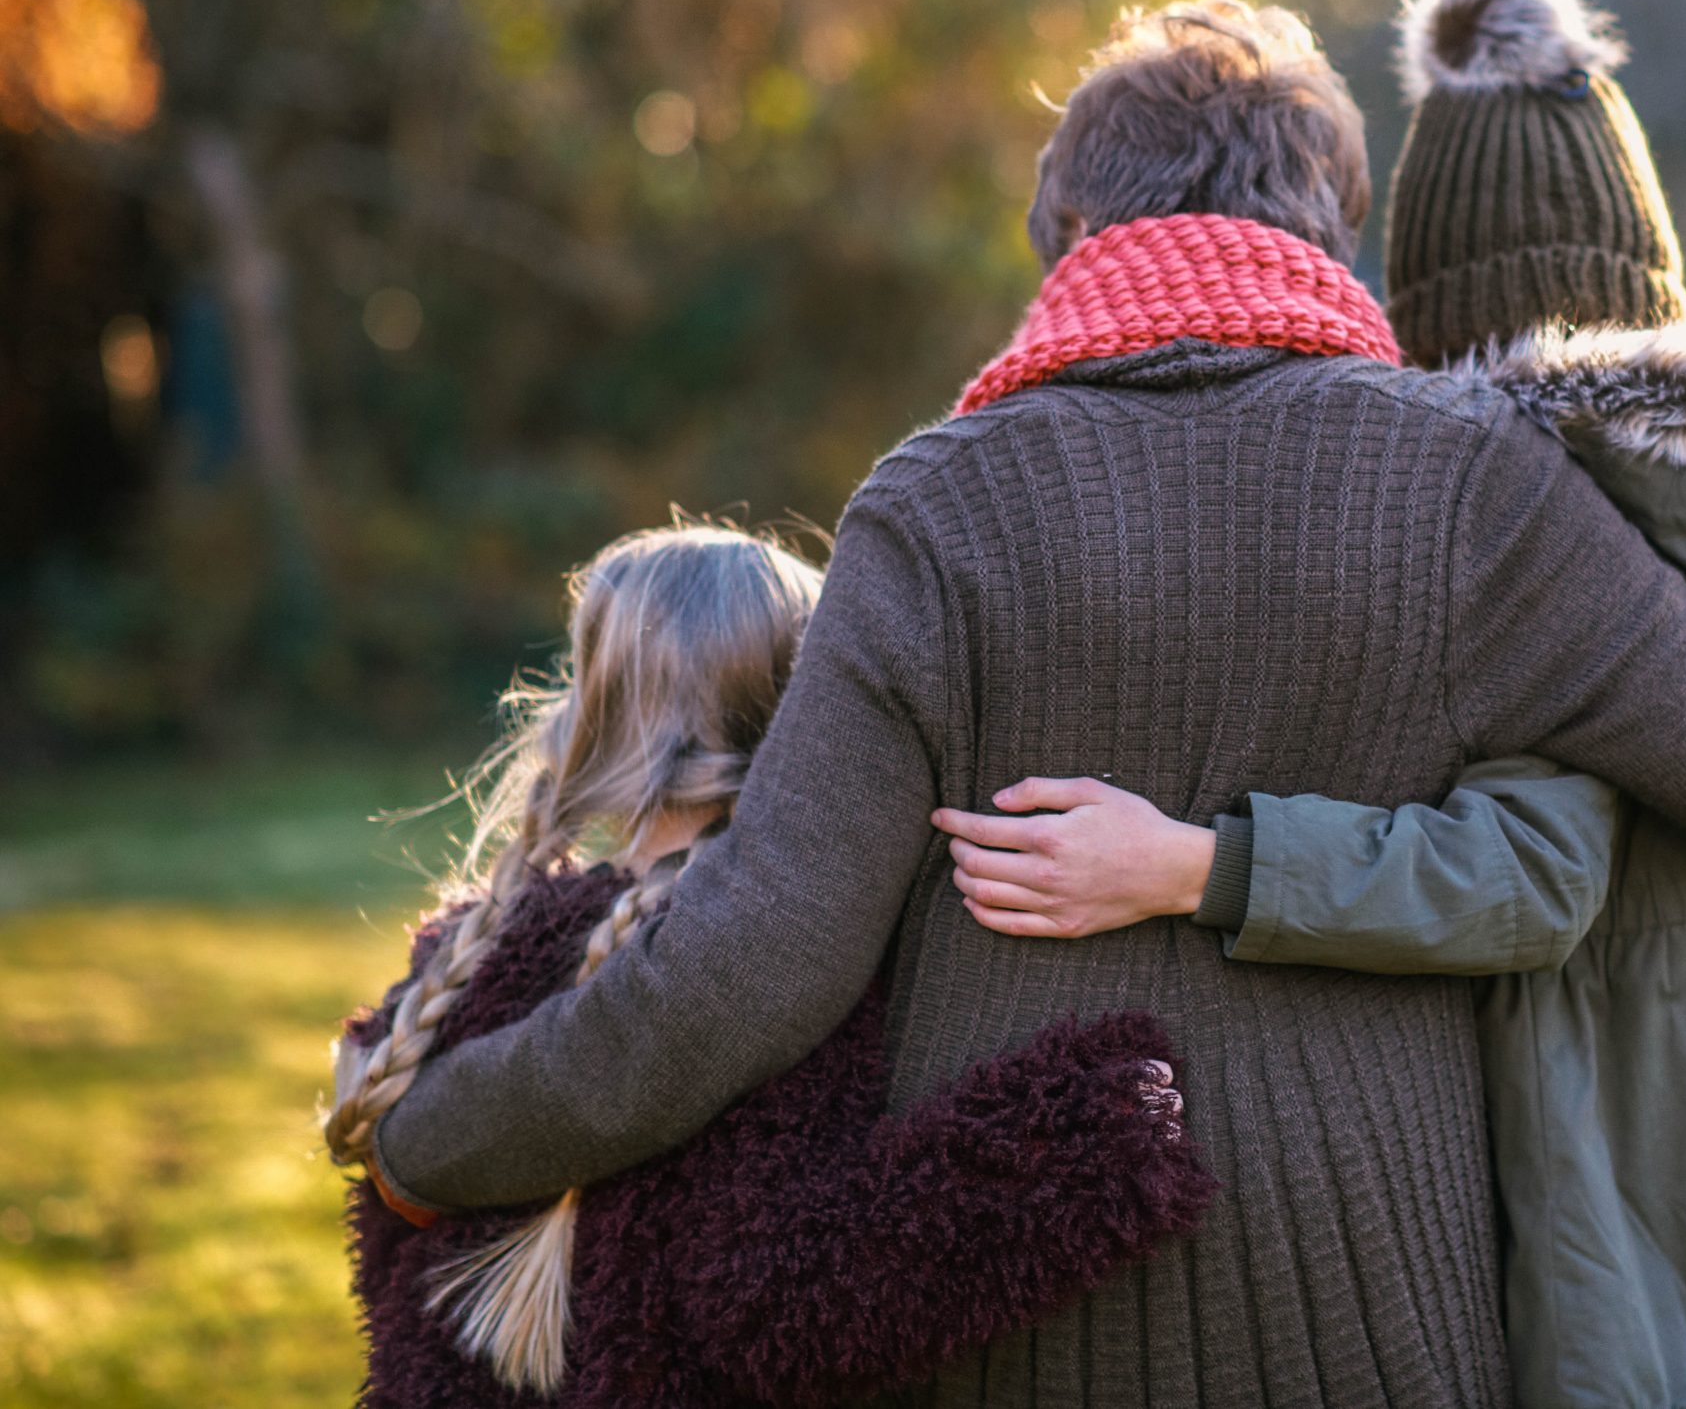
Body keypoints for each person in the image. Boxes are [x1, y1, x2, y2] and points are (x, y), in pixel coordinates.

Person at [360, 0, 1686, 1408]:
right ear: (1333, 233)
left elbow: (757, 955)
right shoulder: (1465, 484)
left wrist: (446, 1138)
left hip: (997, 1306)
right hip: (1379, 1310)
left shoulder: (936, 506)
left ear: (1066, 235)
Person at [935, 0, 1686, 1409]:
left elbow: (1531, 868)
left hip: (1634, 1223)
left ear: (1434, 311)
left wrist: (1199, 862)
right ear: (1654, 266)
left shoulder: (1514, 518)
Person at [329, 525, 1213, 1407]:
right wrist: (1074, 1141)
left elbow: (388, 1265)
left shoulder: (465, 957)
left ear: (586, 715)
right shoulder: (773, 959)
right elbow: (777, 1303)